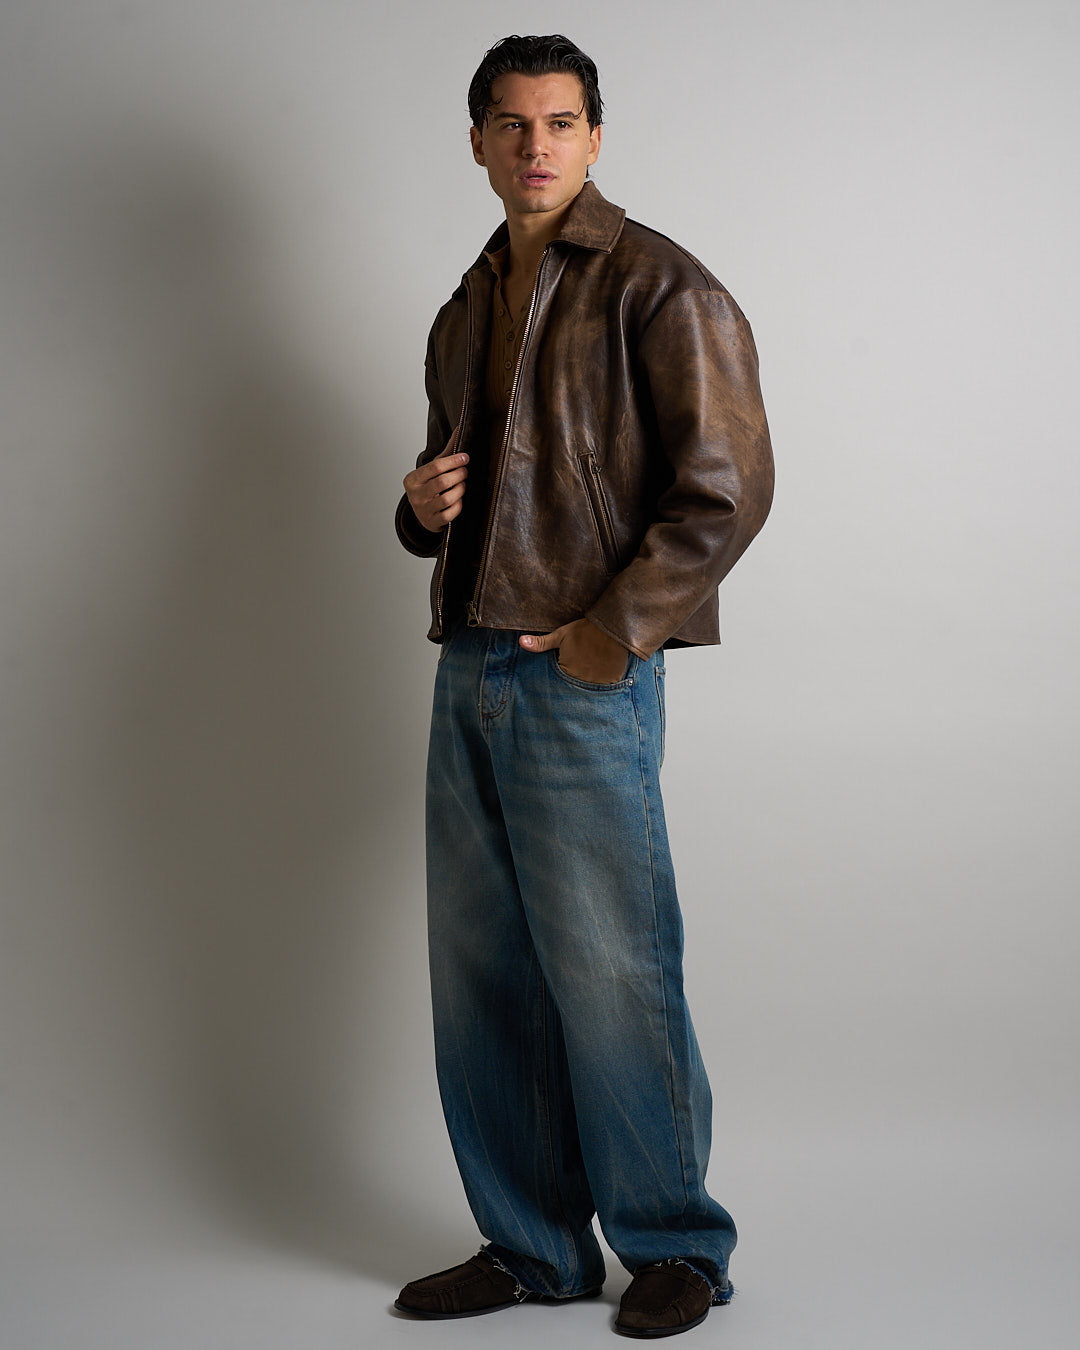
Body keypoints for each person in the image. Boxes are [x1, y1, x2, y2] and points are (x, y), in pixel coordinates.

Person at [392, 34, 774, 1340]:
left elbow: (728, 488)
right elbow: (468, 486)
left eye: (560, 122)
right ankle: (533, 1245)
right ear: (478, 142)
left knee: (613, 964)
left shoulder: (659, 285)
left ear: (595, 138)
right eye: (512, 123)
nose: (536, 145)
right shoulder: (465, 306)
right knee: (481, 975)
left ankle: (675, 1243)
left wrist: (614, 633)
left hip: (580, 673)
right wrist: (416, 507)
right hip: (470, 665)